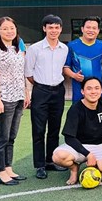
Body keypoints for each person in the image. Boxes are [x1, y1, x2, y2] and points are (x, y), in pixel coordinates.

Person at [52, 77, 102, 184]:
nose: (93, 92)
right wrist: (88, 154)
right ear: (82, 91)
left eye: (97, 88)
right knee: (58, 156)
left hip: (100, 145)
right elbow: (69, 138)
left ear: (101, 91)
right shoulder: (75, 109)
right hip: (80, 146)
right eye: (89, 88)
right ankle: (74, 168)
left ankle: (96, 166)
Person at [24, 14, 69, 179]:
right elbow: (29, 73)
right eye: (50, 27)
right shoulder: (35, 49)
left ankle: (51, 161)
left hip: (58, 91)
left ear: (61, 29)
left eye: (57, 27)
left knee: (54, 129)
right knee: (39, 129)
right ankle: (40, 165)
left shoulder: (64, 49)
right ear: (44, 29)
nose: (53, 30)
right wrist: (41, 86)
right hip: (41, 91)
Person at [0, 17, 29, 185]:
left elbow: (21, 73)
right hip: (3, 98)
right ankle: (0, 171)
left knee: (11, 136)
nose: (9, 31)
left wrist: (26, 92)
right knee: (1, 137)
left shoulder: (17, 50)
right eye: (5, 28)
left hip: (18, 97)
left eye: (12, 28)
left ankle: (8, 167)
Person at [63, 16, 102, 102]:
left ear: (98, 30)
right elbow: (65, 67)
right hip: (79, 90)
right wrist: (74, 75)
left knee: (101, 109)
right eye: (88, 27)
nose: (91, 30)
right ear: (82, 29)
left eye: (94, 28)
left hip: (99, 91)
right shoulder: (72, 45)